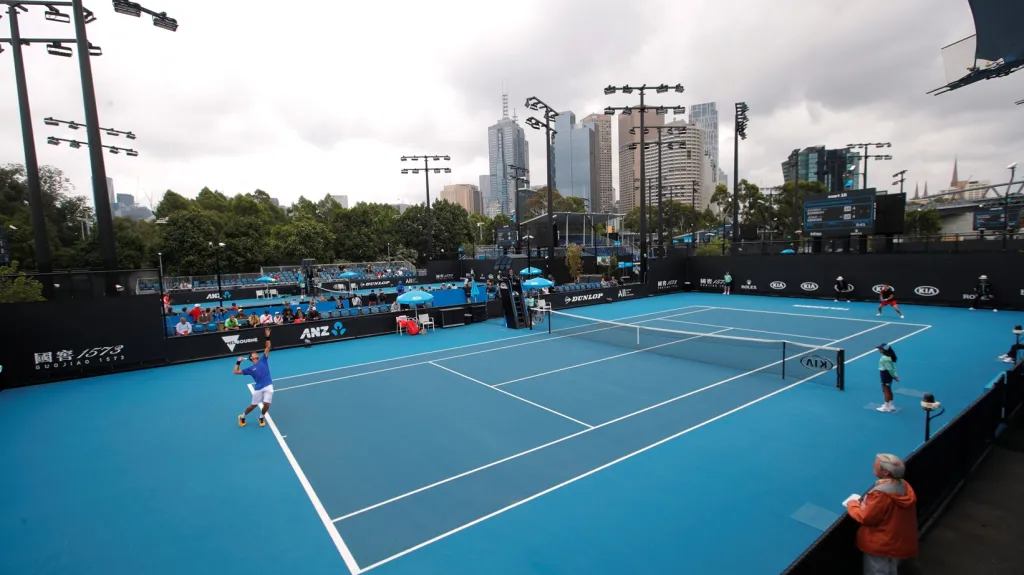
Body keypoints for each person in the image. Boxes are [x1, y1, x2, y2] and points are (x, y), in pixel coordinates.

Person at [844, 454, 919, 575]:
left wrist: (852, 504)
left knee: (877, 571)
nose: (873, 465)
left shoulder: (881, 494)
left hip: (881, 544)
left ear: (886, 472)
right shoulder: (904, 486)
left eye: (876, 464)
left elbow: (867, 517)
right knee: (891, 568)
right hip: (896, 541)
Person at [235, 327, 274, 428]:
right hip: (258, 388)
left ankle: (261, 417)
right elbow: (236, 372)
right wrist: (238, 362)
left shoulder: (263, 359)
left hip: (268, 385)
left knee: (267, 404)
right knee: (253, 406)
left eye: (256, 353)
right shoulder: (250, 369)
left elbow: (268, 347)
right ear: (251, 358)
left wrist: (267, 336)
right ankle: (242, 416)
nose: (256, 353)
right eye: (253, 353)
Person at [876, 343, 899, 413]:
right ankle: (891, 405)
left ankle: (886, 407)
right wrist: (894, 375)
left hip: (885, 375)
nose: (879, 350)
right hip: (887, 375)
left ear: (884, 350)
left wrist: (894, 376)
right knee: (888, 389)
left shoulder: (885, 358)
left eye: (880, 349)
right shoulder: (888, 357)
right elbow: (892, 368)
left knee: (885, 390)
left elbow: (890, 369)